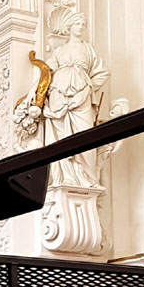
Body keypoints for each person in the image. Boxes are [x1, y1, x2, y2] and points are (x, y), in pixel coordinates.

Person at [41, 12, 110, 188]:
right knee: (60, 136)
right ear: (69, 27)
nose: (81, 27)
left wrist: (89, 88)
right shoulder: (59, 51)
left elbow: (103, 72)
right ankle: (64, 177)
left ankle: (88, 179)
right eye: (77, 24)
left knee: (85, 134)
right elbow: (47, 73)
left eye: (83, 24)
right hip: (58, 95)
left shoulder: (88, 49)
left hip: (82, 97)